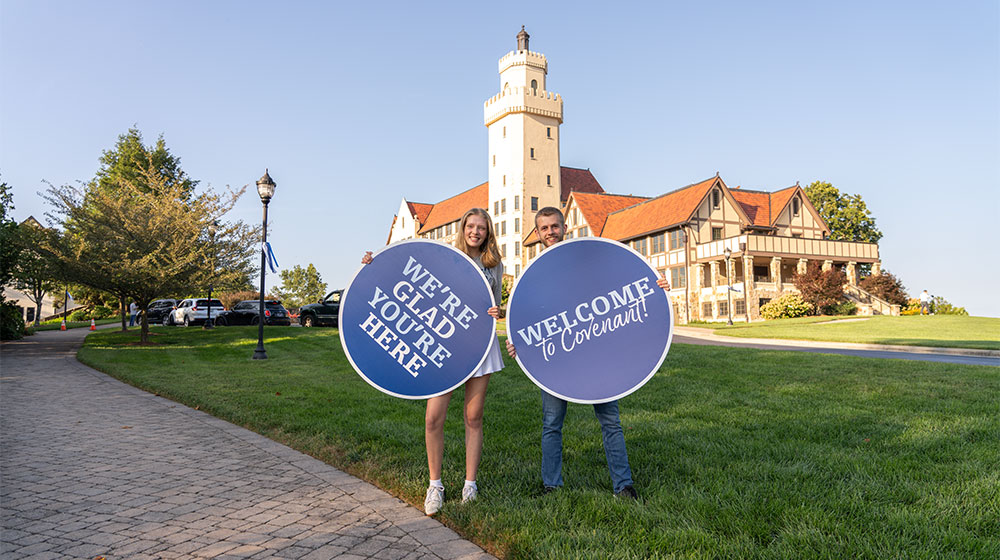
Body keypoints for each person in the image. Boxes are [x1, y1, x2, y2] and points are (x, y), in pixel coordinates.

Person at [506, 207, 670, 500]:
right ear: (538, 233)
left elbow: (615, 284)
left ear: (565, 227)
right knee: (551, 424)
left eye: (555, 226)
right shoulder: (535, 272)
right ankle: (551, 485)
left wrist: (653, 286)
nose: (550, 232)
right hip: (556, 360)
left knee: (611, 421)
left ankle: (623, 485)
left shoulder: (584, 257)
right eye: (544, 228)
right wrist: (519, 343)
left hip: (597, 355)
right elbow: (529, 315)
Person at [362, 208, 504, 515]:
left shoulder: (494, 265)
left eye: (481, 228)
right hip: (444, 345)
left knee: (474, 416)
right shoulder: (445, 256)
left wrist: (499, 312)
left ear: (488, 233)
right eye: (471, 226)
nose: (475, 232)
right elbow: (406, 274)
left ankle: (470, 484)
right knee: (432, 418)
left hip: (479, 344)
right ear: (463, 228)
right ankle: (435, 484)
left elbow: (495, 304)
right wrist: (374, 266)